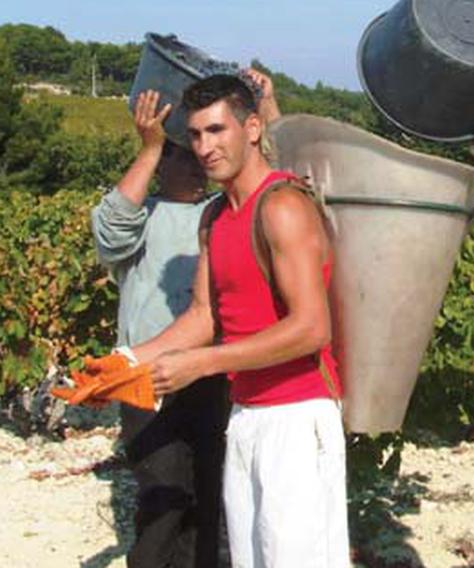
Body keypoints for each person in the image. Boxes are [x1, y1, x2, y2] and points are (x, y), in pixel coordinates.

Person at [120, 74, 349, 568]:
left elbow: (313, 328)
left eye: (217, 131)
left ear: (250, 128)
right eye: (196, 135)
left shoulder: (283, 206)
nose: (204, 147)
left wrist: (201, 364)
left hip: (295, 416)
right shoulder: (215, 217)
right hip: (244, 415)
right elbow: (203, 316)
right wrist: (123, 362)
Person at [91, 70, 281, 568]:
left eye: (205, 146)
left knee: (209, 491)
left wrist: (268, 104)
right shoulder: (144, 216)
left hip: (213, 370)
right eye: (185, 151)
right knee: (164, 491)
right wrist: (150, 147)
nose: (198, 162)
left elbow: (282, 175)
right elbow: (108, 231)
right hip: (149, 378)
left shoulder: (221, 214)